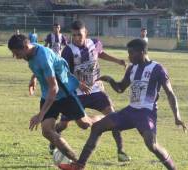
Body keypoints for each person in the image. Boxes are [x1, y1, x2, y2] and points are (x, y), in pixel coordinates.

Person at [59, 39, 188, 170]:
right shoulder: (132, 68)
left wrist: (177, 118)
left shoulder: (157, 69)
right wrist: (110, 80)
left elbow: (170, 94)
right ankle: (80, 165)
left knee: (152, 145)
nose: (129, 56)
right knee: (97, 127)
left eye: (132, 53)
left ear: (142, 52)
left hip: (146, 113)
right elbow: (120, 88)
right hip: (130, 112)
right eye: (128, 53)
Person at [8, 34, 100, 162]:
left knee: (84, 124)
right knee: (47, 131)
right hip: (48, 95)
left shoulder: (43, 57)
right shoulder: (32, 50)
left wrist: (41, 114)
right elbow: (45, 67)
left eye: (16, 53)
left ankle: (105, 118)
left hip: (64, 94)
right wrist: (33, 78)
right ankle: (74, 160)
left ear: (24, 47)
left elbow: (54, 88)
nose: (16, 57)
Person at [47, 20, 130, 162]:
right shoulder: (68, 50)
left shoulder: (95, 43)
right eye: (74, 35)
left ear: (86, 33)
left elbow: (101, 53)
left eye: (79, 34)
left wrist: (117, 61)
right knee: (64, 124)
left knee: (114, 117)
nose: (77, 38)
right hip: (76, 93)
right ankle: (54, 138)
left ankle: (120, 151)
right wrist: (79, 84)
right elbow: (64, 73)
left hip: (96, 90)